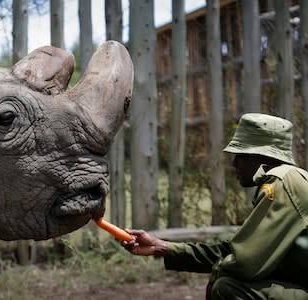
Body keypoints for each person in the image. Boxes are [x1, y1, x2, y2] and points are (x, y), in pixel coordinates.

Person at [122, 113, 308, 300]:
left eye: (240, 155)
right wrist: (161, 247)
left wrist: (217, 272)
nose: (234, 163)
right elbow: (236, 250)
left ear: (259, 156)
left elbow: (244, 263)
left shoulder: (280, 184)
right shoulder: (291, 179)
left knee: (226, 287)